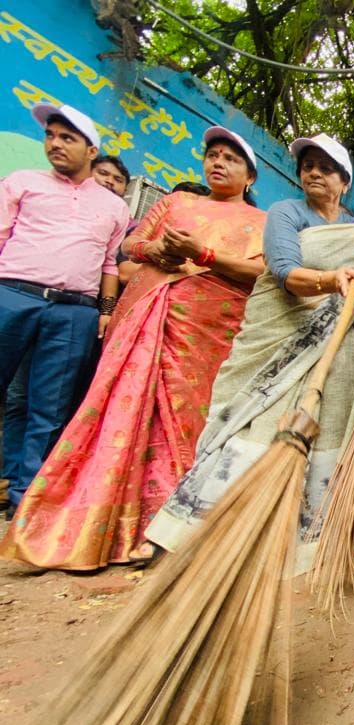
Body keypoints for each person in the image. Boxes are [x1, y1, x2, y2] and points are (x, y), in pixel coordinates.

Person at [0, 126, 265, 570]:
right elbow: (129, 245)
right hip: (148, 318)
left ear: (250, 177)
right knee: (123, 415)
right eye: (213, 155)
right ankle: (102, 525)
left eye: (231, 159)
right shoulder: (177, 203)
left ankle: (167, 527)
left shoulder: (264, 223)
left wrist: (203, 255)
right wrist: (158, 249)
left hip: (208, 336)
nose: (218, 163)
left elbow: (260, 274)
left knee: (184, 425)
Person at [145, 132, 354, 572]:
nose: (314, 173)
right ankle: (198, 537)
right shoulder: (286, 213)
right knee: (250, 429)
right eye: (308, 166)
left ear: (344, 181)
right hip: (279, 341)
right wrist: (328, 281)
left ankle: (293, 546)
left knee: (323, 435)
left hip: (336, 352)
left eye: (325, 168)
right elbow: (282, 270)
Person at [0, 103, 128, 515]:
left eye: (67, 137)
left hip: (75, 311)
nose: (54, 144)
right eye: (50, 136)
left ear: (91, 150)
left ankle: (25, 502)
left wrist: (105, 310)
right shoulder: (22, 182)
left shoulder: (115, 208)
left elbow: (109, 264)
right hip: (12, 294)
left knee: (49, 408)